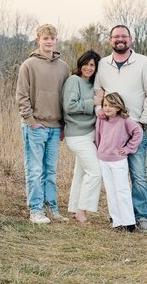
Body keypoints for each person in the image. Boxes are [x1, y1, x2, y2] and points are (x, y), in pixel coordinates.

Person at [94, 24, 147, 232]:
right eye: (115, 37)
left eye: (124, 36)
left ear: (130, 39)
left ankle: (141, 217)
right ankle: (119, 217)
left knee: (138, 175)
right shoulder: (104, 64)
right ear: (110, 40)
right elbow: (98, 91)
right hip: (112, 131)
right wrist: (98, 109)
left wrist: (144, 122)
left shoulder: (144, 63)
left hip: (134, 128)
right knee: (115, 178)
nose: (120, 39)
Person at [16, 23, 70, 224]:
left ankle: (51, 208)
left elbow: (66, 98)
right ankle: (36, 210)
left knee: (51, 171)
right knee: (35, 170)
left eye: (52, 38)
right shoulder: (28, 65)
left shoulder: (63, 67)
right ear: (38, 39)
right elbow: (21, 96)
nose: (49, 41)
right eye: (45, 38)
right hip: (35, 126)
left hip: (55, 127)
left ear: (56, 40)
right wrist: (30, 121)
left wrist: (64, 125)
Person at [62, 50, 102, 225]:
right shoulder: (74, 81)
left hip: (90, 133)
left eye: (92, 65)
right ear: (80, 65)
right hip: (77, 135)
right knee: (95, 172)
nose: (88, 67)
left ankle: (74, 207)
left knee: (81, 173)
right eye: (85, 64)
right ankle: (81, 211)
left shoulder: (94, 85)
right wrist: (92, 102)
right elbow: (69, 106)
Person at [95, 92, 143, 231]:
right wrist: (100, 150)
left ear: (118, 107)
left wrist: (128, 148)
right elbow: (98, 136)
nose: (107, 108)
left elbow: (138, 132)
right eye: (105, 105)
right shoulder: (101, 120)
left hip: (118, 161)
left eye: (111, 105)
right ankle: (117, 222)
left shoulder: (124, 121)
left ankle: (129, 223)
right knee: (110, 192)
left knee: (122, 190)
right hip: (103, 159)